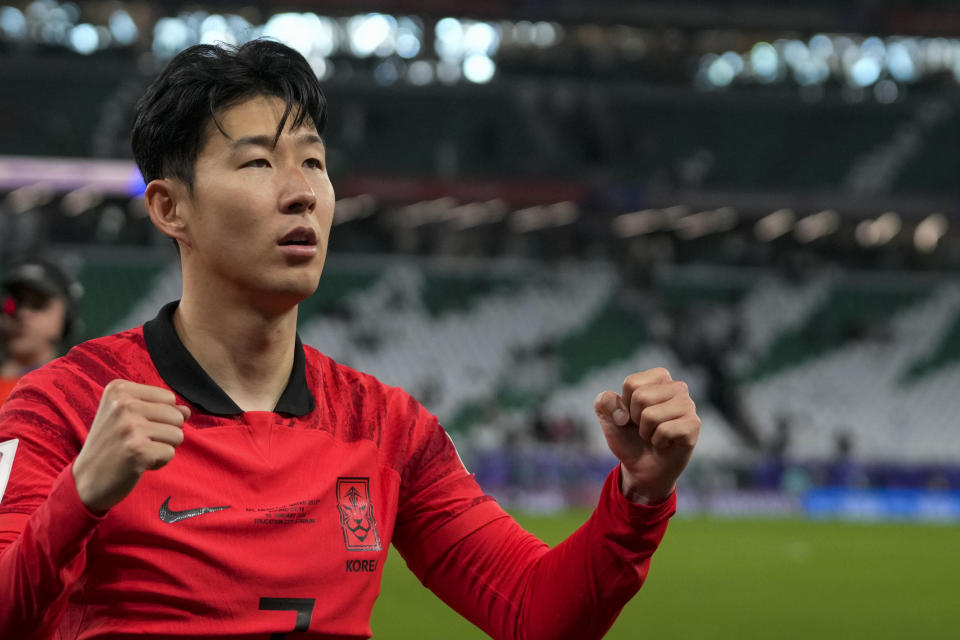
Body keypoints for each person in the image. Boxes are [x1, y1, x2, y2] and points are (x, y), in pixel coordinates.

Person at [0, 40, 701, 639]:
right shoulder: (65, 406)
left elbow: (534, 610)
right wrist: (81, 496)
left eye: (313, 162)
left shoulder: (386, 427)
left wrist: (639, 497)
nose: (302, 191)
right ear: (169, 207)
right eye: (257, 163)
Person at [0, 259, 81, 405]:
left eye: (38, 303)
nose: (23, 313)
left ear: (65, 319)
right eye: (15, 302)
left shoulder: (74, 395)